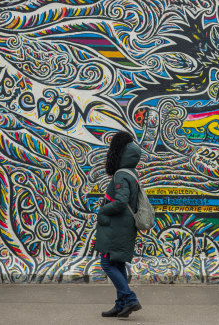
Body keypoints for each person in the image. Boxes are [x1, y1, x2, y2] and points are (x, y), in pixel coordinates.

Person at [95, 131, 143, 318]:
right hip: (123, 227)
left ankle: (130, 299)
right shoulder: (131, 172)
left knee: (106, 263)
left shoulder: (121, 175)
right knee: (118, 264)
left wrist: (103, 211)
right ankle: (120, 304)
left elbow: (121, 202)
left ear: (120, 153)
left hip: (116, 228)